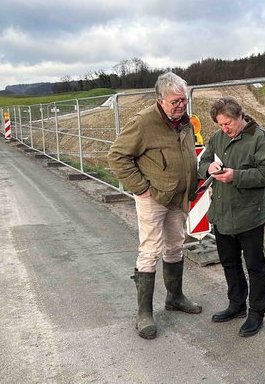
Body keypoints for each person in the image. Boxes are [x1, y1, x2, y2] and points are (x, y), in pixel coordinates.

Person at [107, 72, 202, 340]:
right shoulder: (143, 123)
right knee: (150, 250)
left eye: (183, 100)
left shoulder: (185, 122)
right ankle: (144, 314)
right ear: (160, 100)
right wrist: (141, 188)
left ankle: (175, 297)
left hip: (178, 197)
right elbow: (117, 156)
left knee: (175, 245)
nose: (181, 105)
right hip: (153, 198)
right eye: (175, 101)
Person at [198, 96, 265, 337]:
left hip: (249, 216)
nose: (225, 129)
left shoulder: (259, 138)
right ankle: (236, 305)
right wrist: (209, 168)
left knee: (255, 266)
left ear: (241, 116)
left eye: (229, 123)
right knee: (229, 263)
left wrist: (236, 176)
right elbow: (203, 161)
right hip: (222, 214)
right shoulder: (218, 137)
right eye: (221, 124)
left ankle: (256, 313)